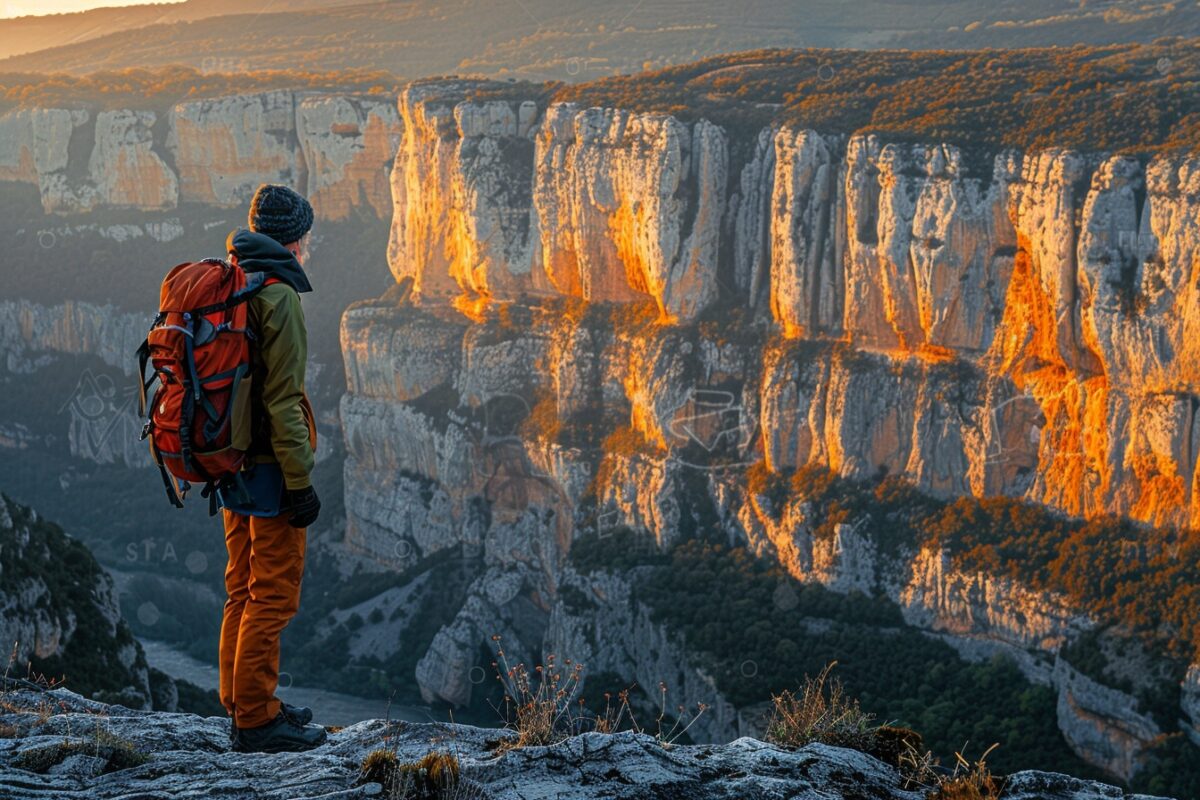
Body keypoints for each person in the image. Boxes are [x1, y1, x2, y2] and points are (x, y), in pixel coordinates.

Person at [219, 184, 326, 753]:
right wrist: (302, 481)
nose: (309, 244)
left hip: (230, 463)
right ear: (294, 239)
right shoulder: (278, 296)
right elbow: (283, 401)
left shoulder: (234, 278)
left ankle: (241, 701)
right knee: (275, 594)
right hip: (269, 468)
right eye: (306, 236)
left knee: (241, 587)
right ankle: (258, 720)